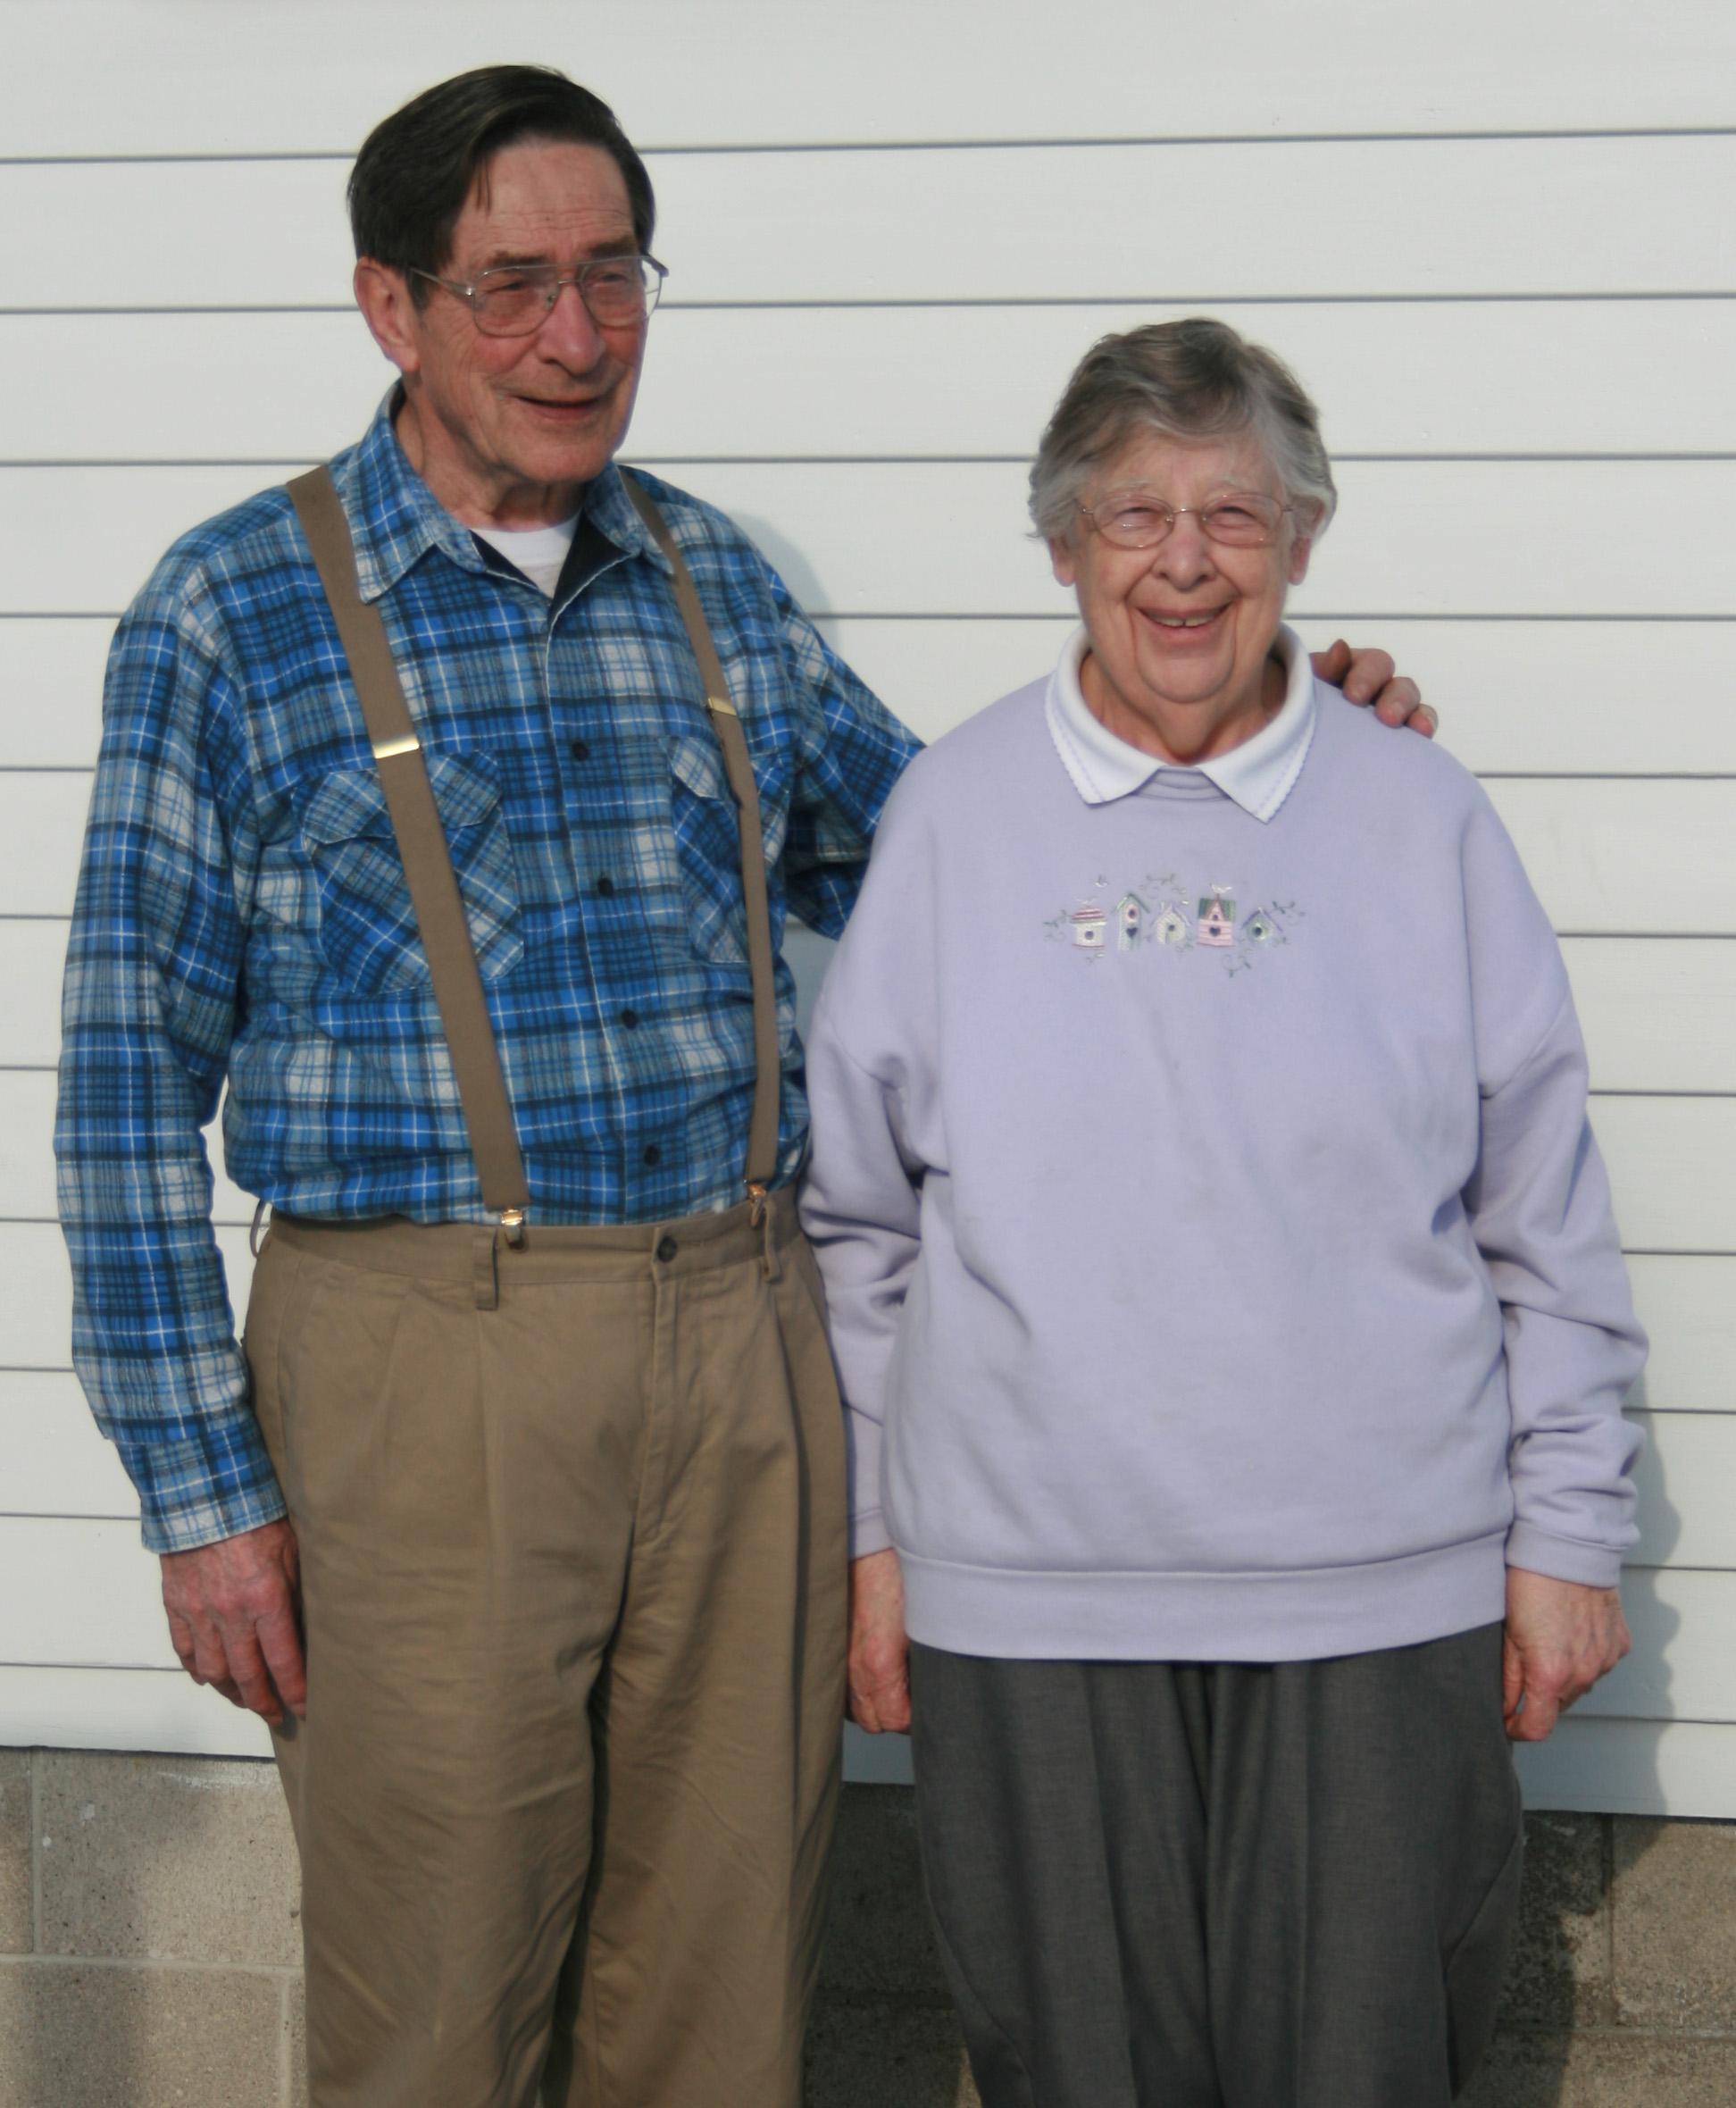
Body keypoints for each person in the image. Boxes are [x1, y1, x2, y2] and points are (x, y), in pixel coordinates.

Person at [54, 63, 1430, 2108]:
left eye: (612, 274)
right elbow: (116, 1087)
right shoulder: (233, 609)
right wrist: (202, 1494)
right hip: (423, 1372)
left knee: (724, 2004)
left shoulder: (712, 584)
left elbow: (967, 858)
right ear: (389, 306)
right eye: (511, 284)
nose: (575, 336)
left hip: (739, 1346)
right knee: (434, 2007)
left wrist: (1247, 735)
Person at [799, 317, 1644, 2108]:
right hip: (1030, 1597)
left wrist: (1568, 1533)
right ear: (1060, 548)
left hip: (1373, 1588)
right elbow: (858, 1233)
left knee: (1363, 2064)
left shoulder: (1419, 815)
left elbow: (1539, 1215)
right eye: (1133, 517)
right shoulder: (951, 815)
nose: (1184, 563)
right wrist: (876, 1544)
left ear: (1305, 541)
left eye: (1234, 517)